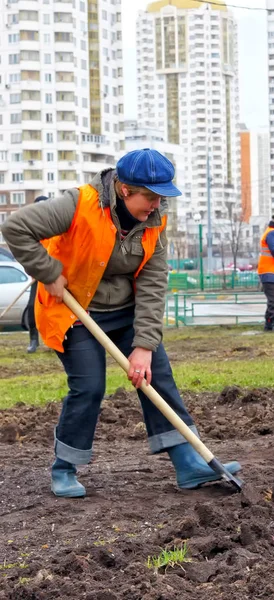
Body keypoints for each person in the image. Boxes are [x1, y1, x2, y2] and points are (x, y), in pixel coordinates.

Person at [1, 149, 241, 498]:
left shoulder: (155, 222)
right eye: (151, 196)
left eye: (161, 197)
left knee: (156, 376)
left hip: (127, 311)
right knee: (89, 387)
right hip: (75, 310)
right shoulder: (78, 204)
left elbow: (153, 281)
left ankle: (189, 463)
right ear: (125, 189)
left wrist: (143, 346)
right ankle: (64, 467)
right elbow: (15, 228)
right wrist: (48, 272)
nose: (157, 205)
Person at [22, 195, 49, 353]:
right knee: (33, 307)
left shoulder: (57, 226)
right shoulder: (32, 229)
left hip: (58, 276)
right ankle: (33, 340)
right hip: (39, 277)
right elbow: (27, 254)